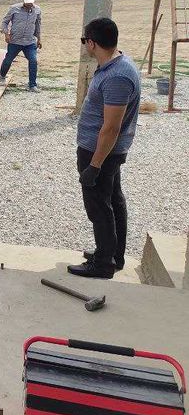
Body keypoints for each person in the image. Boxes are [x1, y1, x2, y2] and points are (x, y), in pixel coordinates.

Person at [67, 17, 141, 279]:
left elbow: (111, 127)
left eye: (84, 40)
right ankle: (113, 253)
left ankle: (103, 263)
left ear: (92, 43)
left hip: (101, 151)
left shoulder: (117, 76)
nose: (85, 44)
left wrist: (94, 165)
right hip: (105, 150)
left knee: (99, 205)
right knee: (112, 200)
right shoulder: (115, 65)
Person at [0, 0, 42, 92]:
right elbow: (5, 22)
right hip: (15, 41)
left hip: (29, 42)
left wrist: (39, 39)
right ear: (23, 1)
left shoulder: (37, 10)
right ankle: (2, 77)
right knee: (8, 60)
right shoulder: (14, 8)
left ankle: (32, 85)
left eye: (31, 3)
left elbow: (38, 25)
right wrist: (6, 34)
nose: (29, 5)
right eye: (27, 3)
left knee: (33, 61)